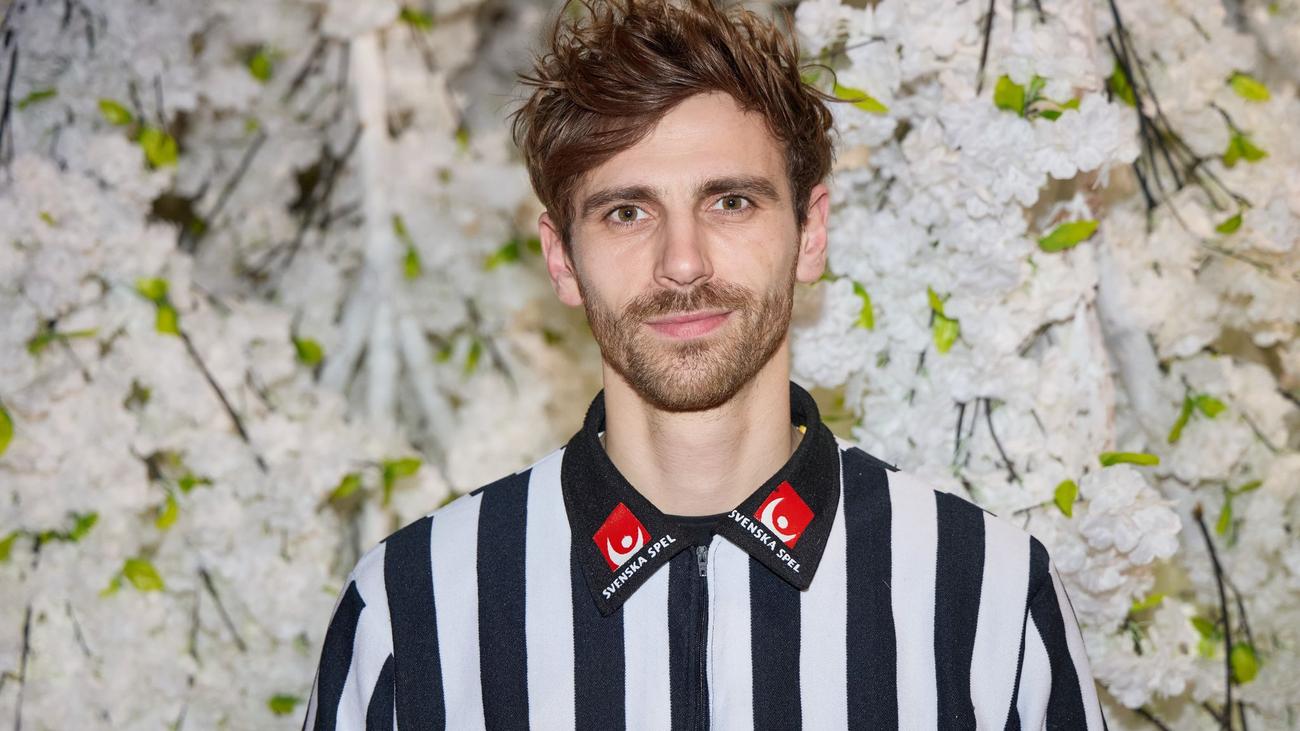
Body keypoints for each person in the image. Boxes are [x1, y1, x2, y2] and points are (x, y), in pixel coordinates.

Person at [302, 0, 1109, 728]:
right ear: (562, 259)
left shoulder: (988, 594)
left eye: (731, 201)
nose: (682, 262)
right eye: (627, 212)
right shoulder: (412, 608)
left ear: (811, 232)